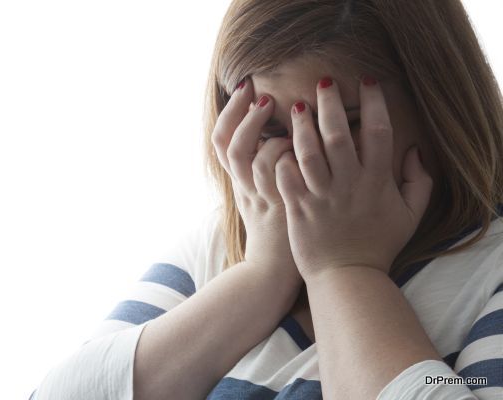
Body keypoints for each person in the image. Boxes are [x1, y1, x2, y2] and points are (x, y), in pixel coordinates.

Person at [28, 0, 503, 399]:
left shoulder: (491, 265)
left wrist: (346, 269)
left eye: (345, 124)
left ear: (436, 100)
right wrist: (263, 274)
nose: (308, 158)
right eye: (274, 129)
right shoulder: (226, 242)